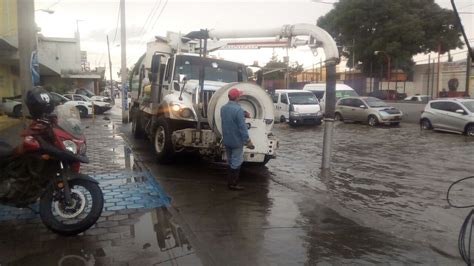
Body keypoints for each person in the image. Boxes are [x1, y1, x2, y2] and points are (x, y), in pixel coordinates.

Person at [220, 88, 253, 190]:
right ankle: (233, 184)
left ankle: (229, 182)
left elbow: (231, 115)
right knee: (236, 162)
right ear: (237, 97)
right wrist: (248, 141)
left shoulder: (223, 108)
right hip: (236, 141)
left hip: (227, 139)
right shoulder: (238, 110)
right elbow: (242, 128)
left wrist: (243, 113)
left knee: (230, 161)